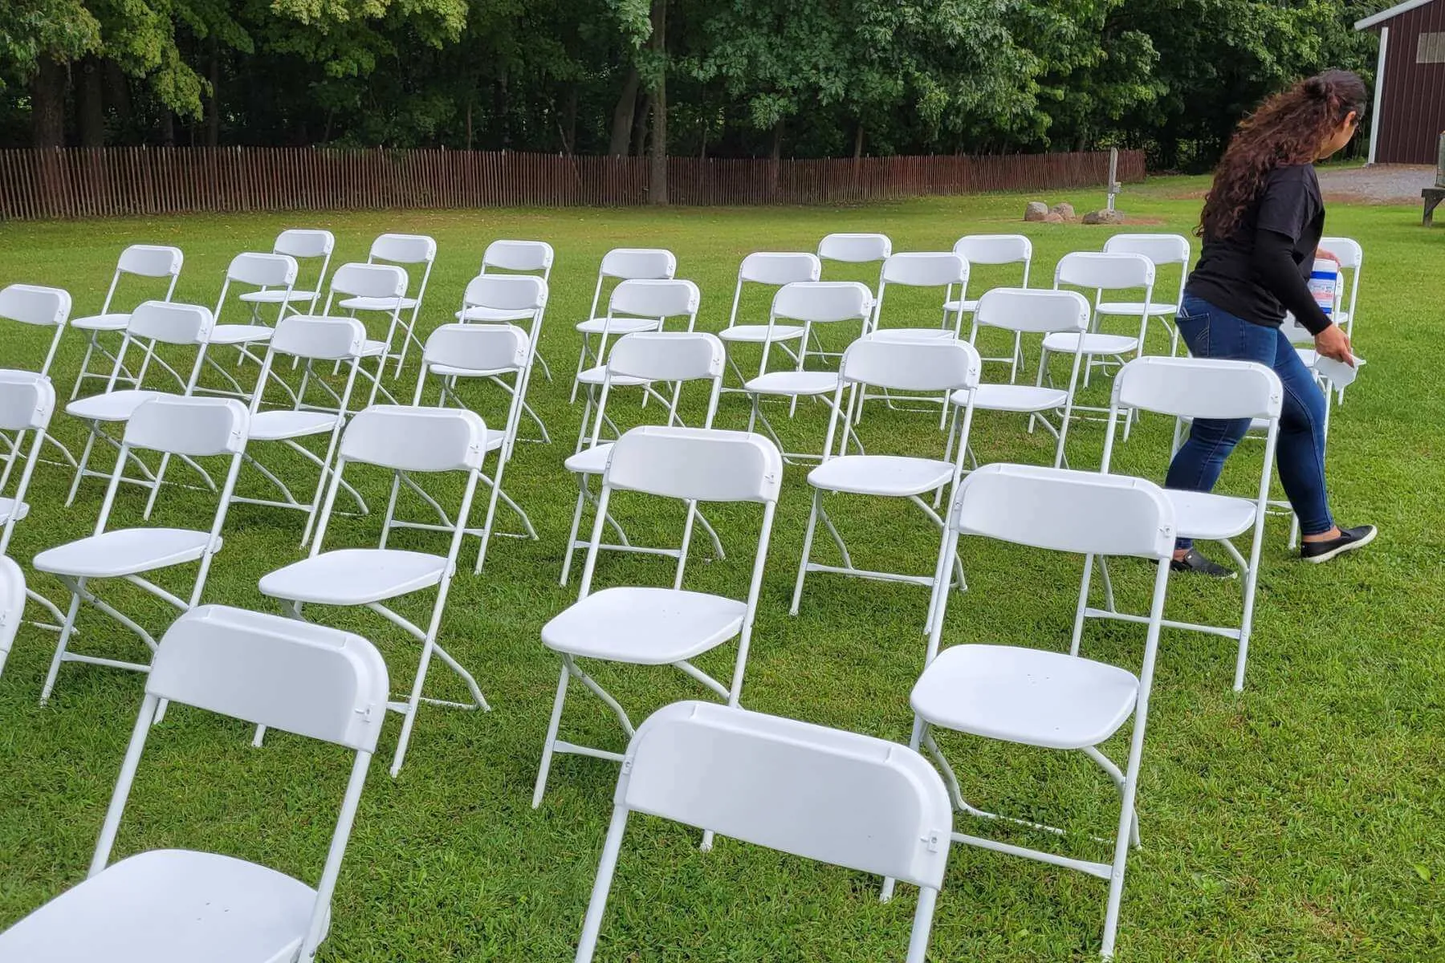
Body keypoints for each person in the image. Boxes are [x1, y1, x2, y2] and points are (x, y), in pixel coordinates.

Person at [1168, 68, 1375, 575]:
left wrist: (1307, 247)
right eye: (1353, 128)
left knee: (1305, 409)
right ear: (1348, 120)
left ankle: (1320, 532)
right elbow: (1268, 255)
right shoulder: (1295, 172)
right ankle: (1171, 542)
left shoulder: (1260, 159)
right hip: (1234, 315)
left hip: (1222, 312)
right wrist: (1322, 326)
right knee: (1221, 428)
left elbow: (1260, 236)